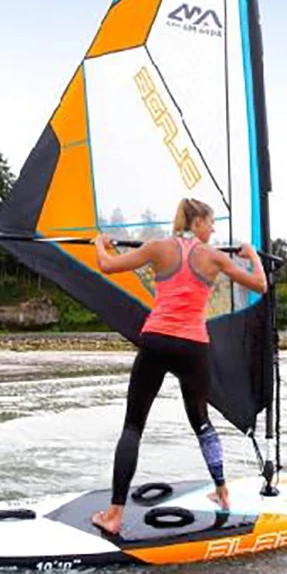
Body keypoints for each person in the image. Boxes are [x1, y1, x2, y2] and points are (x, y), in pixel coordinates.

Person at [90, 197, 268, 536]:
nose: (213, 229)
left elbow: (107, 265)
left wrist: (101, 244)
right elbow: (260, 285)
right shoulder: (214, 257)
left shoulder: (157, 248)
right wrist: (252, 255)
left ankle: (113, 514)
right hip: (193, 346)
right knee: (201, 421)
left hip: (157, 339)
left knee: (133, 426)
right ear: (197, 221)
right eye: (211, 222)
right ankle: (222, 490)